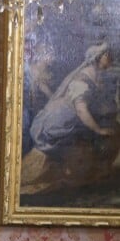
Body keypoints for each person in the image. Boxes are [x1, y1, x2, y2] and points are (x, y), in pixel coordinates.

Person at [21, 42, 120, 195]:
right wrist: (99, 130)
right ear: (98, 58)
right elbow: (81, 110)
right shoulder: (82, 80)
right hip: (60, 122)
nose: (110, 58)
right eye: (107, 55)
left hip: (70, 120)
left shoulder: (95, 74)